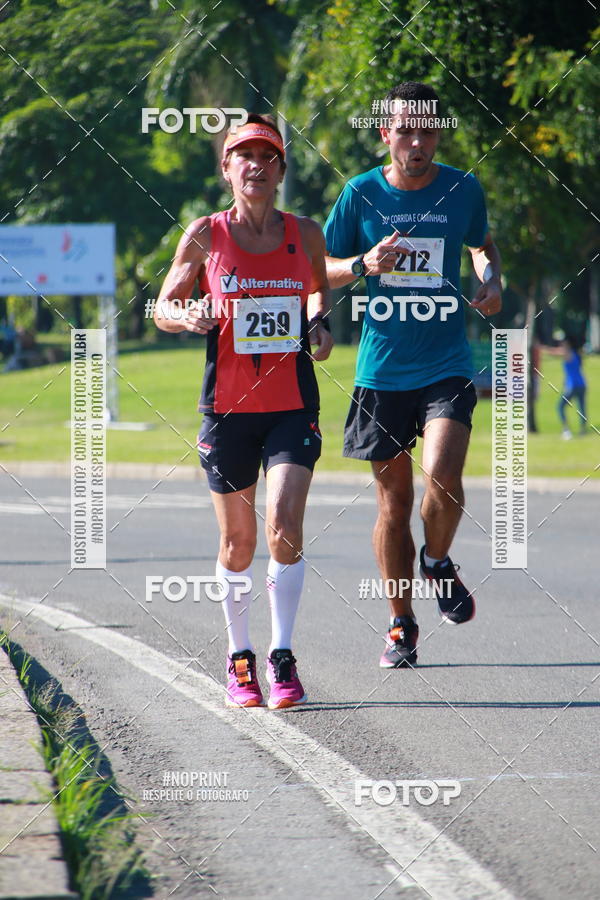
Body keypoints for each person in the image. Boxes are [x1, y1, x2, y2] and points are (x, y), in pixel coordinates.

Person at [154, 113, 333, 707]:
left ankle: (281, 656)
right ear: (227, 168)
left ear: (281, 170)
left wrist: (319, 323)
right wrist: (188, 316)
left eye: (268, 156)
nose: (255, 165)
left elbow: (315, 293)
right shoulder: (206, 234)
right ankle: (239, 659)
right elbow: (162, 305)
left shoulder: (305, 233)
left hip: (291, 404)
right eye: (243, 155)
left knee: (283, 520)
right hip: (227, 407)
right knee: (238, 543)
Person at [323, 81, 501, 668]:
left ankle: (438, 561)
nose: (416, 142)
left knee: (444, 478)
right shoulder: (359, 194)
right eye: (405, 131)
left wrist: (489, 276)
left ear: (439, 134)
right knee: (393, 507)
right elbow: (315, 268)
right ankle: (401, 624)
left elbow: (481, 243)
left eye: (427, 131)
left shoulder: (462, 188)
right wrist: (361, 264)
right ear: (385, 133)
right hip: (382, 370)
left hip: (446, 361)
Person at [544, 336, 587, 438]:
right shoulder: (576, 354)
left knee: (560, 406)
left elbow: (554, 353)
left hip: (573, 386)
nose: (561, 345)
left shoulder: (568, 353)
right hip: (582, 384)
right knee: (581, 408)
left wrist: (542, 348)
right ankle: (583, 430)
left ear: (567, 344)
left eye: (563, 343)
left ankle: (566, 429)